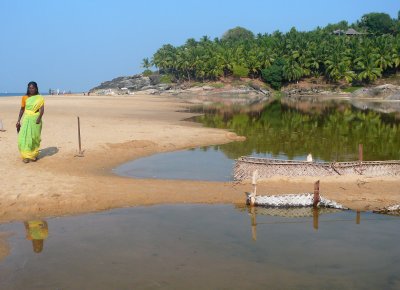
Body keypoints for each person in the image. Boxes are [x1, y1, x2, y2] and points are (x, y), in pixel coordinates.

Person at [16, 81, 45, 163]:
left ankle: (33, 155)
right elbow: (22, 109)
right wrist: (18, 120)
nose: (31, 89)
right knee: (23, 137)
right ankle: (25, 156)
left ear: (36, 88)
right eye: (30, 88)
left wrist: (39, 118)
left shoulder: (40, 98)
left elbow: (42, 110)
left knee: (34, 138)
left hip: (36, 119)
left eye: (33, 88)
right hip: (27, 119)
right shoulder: (24, 97)